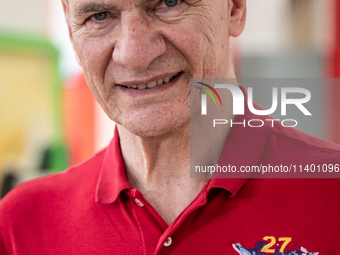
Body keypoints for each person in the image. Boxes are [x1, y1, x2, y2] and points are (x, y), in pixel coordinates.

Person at [0, 0, 340, 254]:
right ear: (71, 30)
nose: (134, 54)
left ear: (233, 8)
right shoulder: (21, 226)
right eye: (99, 15)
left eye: (168, 2)